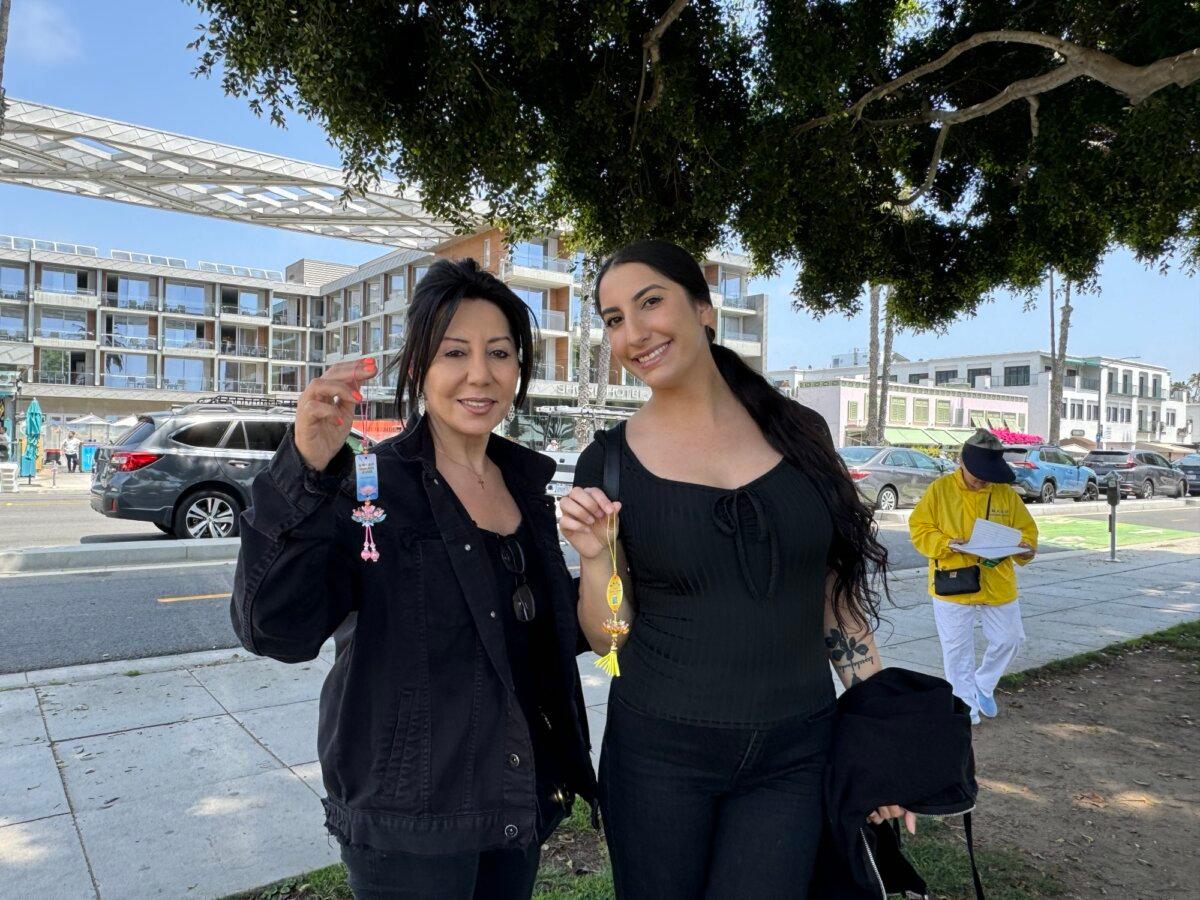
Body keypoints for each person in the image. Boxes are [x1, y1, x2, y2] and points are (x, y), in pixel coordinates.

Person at [231, 258, 597, 900]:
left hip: (516, 800)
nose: (479, 374)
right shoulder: (371, 487)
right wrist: (306, 468)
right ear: (418, 368)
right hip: (410, 822)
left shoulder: (525, 487)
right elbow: (276, 630)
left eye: (500, 353)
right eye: (454, 352)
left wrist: (605, 563)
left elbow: (537, 631)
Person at [557, 240, 906, 900]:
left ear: (703, 308)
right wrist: (597, 553)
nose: (633, 333)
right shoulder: (608, 464)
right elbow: (607, 643)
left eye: (650, 302)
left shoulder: (800, 434)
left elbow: (835, 599)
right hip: (659, 760)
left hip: (796, 756)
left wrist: (878, 732)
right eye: (612, 319)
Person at [909, 428, 1038, 725]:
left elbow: (1027, 532)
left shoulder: (1004, 493)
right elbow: (920, 528)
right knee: (957, 650)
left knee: (1010, 639)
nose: (982, 480)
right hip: (953, 577)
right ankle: (965, 706)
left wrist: (1024, 549)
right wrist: (947, 544)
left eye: (987, 474)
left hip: (997, 579)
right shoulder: (940, 490)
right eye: (977, 473)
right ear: (962, 463)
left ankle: (983, 684)